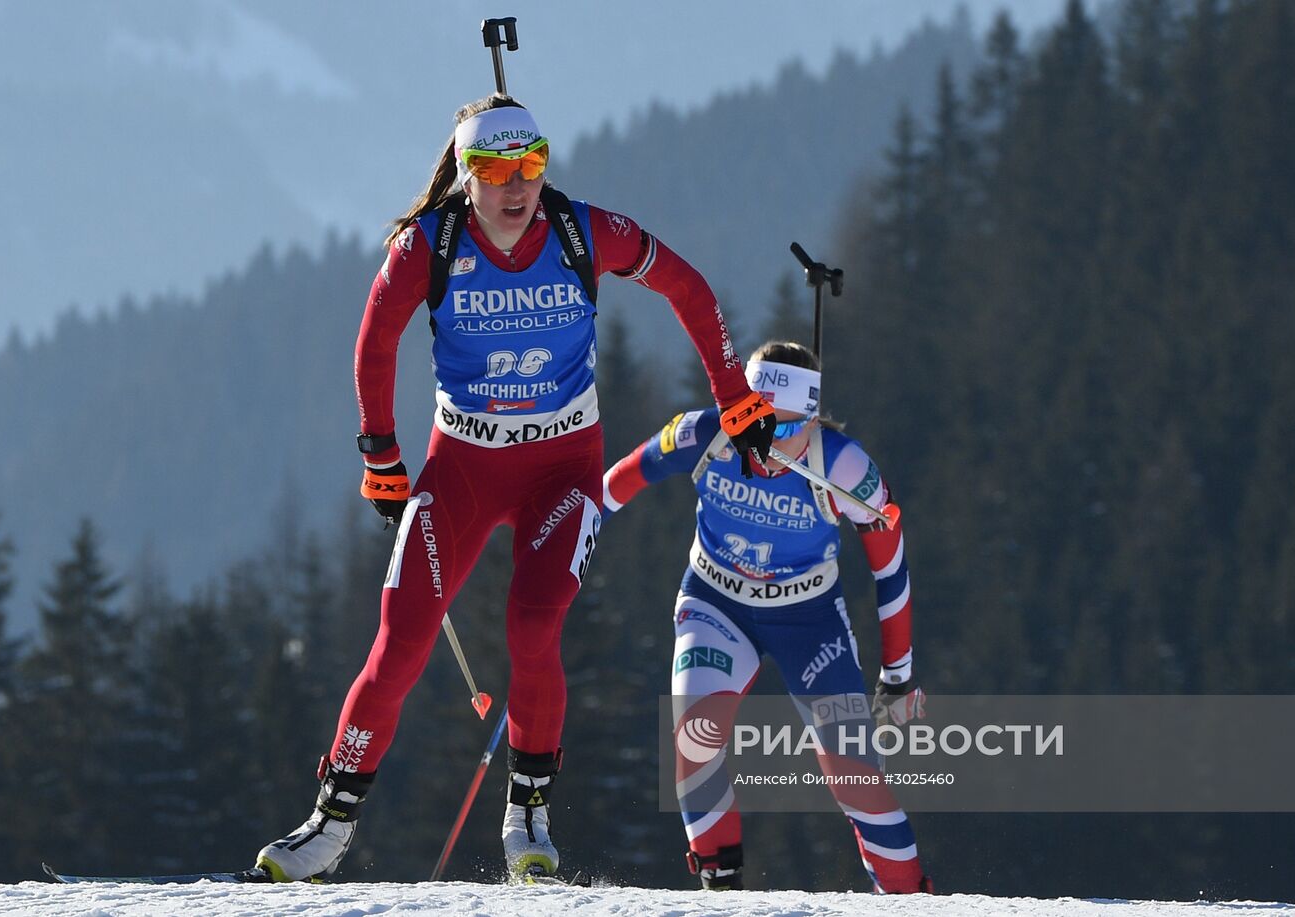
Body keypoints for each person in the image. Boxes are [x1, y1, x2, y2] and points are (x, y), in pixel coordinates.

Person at [253, 95, 776, 882]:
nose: (516, 185)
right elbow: (375, 339)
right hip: (462, 465)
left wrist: (735, 396)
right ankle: (328, 826)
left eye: (531, 163)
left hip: (564, 471)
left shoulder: (581, 231)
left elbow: (688, 288)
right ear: (467, 176)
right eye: (496, 169)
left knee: (534, 629)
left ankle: (527, 814)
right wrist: (381, 453)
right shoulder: (428, 244)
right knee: (400, 641)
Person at [601, 340, 931, 893]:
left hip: (810, 622)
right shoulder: (702, 433)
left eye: (781, 430)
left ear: (811, 419)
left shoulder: (845, 466)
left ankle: (911, 901)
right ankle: (721, 893)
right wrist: (566, 542)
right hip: (716, 603)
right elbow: (618, 482)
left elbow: (891, 572)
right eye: (751, 421)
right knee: (694, 741)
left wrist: (897, 674)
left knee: (854, 778)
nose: (762, 444)